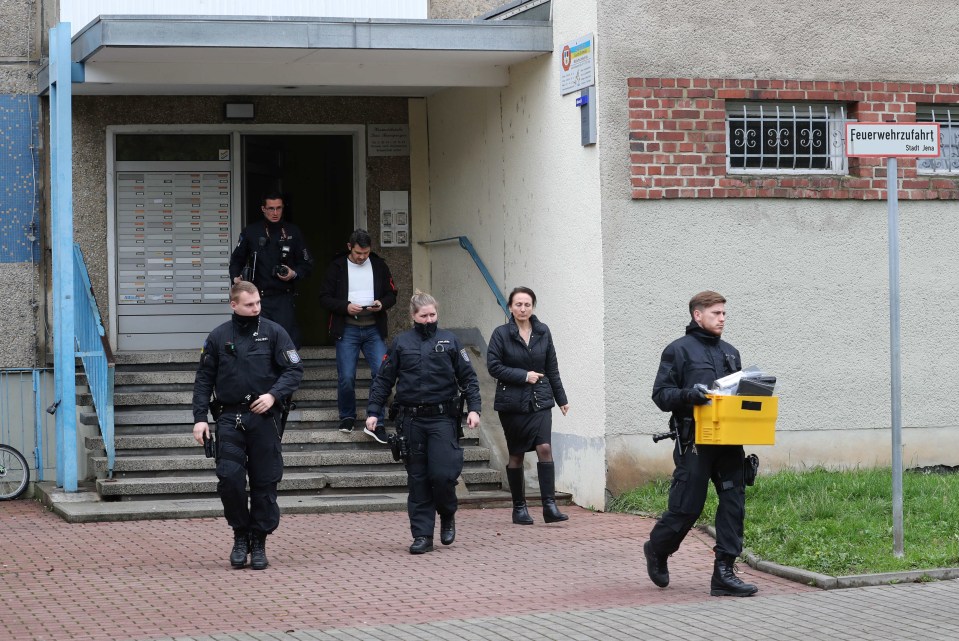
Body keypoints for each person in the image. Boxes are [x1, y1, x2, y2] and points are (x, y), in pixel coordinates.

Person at [643, 290, 758, 597]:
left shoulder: (731, 353)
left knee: (734, 504)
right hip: (694, 441)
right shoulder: (677, 351)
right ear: (698, 315)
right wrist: (687, 396)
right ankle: (657, 548)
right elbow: (660, 395)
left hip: (729, 441)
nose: (722, 318)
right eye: (716, 313)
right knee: (687, 508)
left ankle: (724, 573)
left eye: (724, 314)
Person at [192, 281, 304, 570]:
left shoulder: (274, 332)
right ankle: (240, 534)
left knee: (265, 483)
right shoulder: (218, 337)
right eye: (249, 304)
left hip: (264, 418)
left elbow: (294, 370)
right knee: (229, 480)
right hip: (230, 418)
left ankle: (259, 540)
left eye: (258, 303)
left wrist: (273, 395)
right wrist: (200, 418)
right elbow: (204, 379)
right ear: (234, 305)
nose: (256, 308)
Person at [365, 292, 482, 554]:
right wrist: (374, 412)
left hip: (442, 419)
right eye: (423, 315)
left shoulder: (450, 341)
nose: (429, 320)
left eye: (433, 315)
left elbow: (469, 379)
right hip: (411, 421)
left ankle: (447, 513)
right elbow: (384, 380)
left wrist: (474, 409)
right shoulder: (401, 343)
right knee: (417, 479)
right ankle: (422, 536)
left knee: (442, 475)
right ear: (413, 316)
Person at [486, 286, 570, 525]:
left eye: (527, 304)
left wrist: (561, 399)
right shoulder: (501, 334)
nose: (523, 309)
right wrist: (523, 375)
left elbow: (552, 367)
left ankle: (549, 506)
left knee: (544, 447)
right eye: (518, 304)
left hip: (541, 400)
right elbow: (494, 366)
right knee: (517, 455)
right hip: (512, 403)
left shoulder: (543, 331)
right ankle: (519, 507)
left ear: (533, 307)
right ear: (510, 307)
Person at [318, 229, 398, 439]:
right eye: (358, 253)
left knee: (381, 372)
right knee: (346, 376)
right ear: (349, 247)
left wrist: (382, 303)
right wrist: (345, 307)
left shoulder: (379, 264)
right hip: (347, 328)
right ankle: (347, 416)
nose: (362, 257)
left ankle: (377, 420)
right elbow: (324, 297)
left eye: (366, 253)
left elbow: (392, 294)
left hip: (374, 328)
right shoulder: (337, 266)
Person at [229, 192, 314, 348]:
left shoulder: (293, 232)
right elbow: (236, 260)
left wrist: (293, 274)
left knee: (286, 343)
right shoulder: (251, 232)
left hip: (283, 297)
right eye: (271, 208)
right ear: (263, 209)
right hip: (258, 298)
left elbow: (307, 264)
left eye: (278, 208)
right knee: (256, 343)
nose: (275, 213)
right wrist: (236, 279)